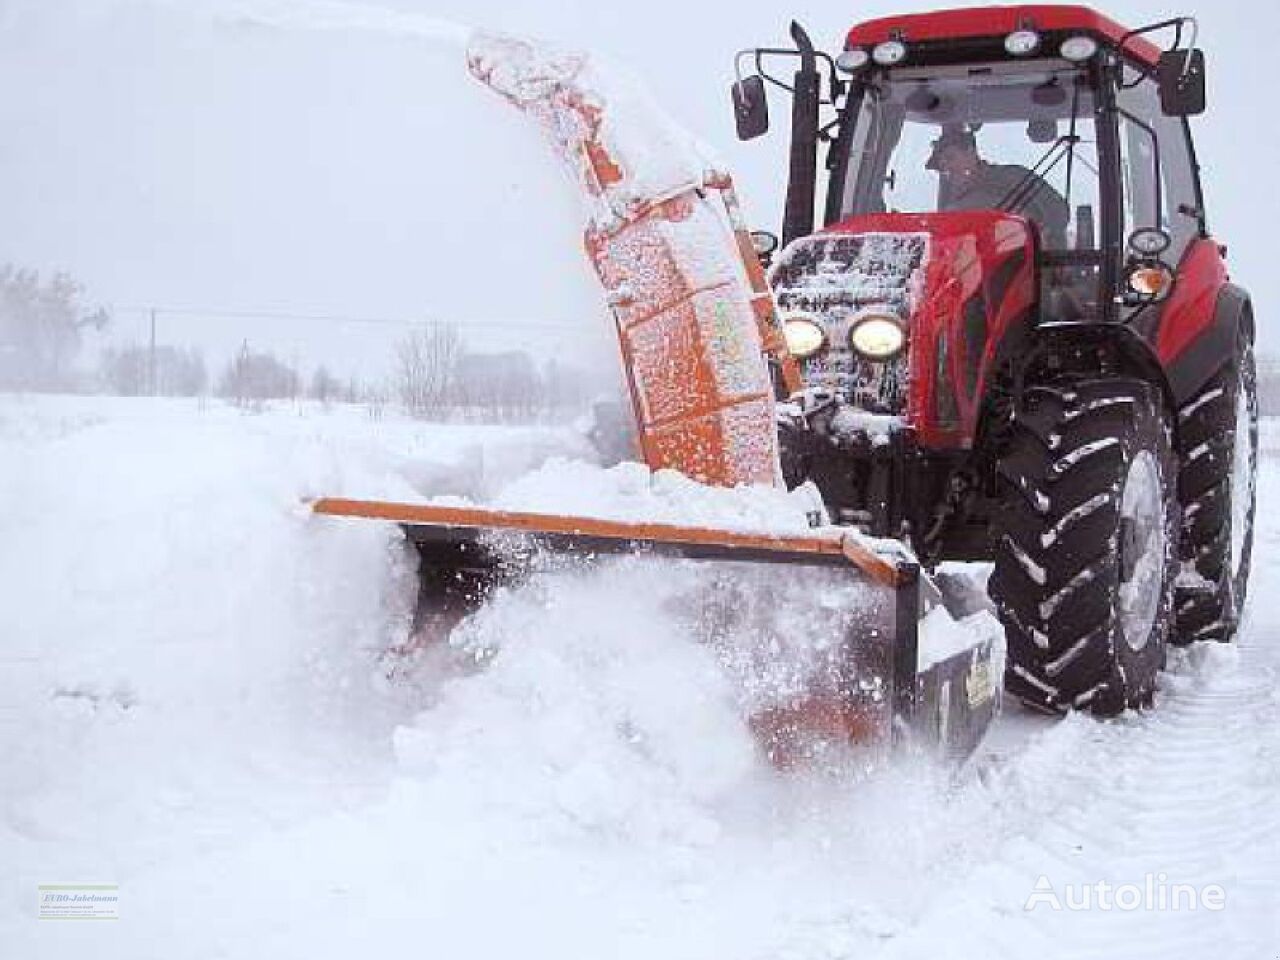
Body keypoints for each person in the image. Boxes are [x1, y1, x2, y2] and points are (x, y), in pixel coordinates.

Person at [926, 125, 1069, 247]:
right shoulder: (951, 209)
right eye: (942, 166)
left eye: (951, 158)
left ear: (971, 152)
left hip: (1029, 268)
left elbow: (1058, 212)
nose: (949, 168)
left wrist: (1036, 236)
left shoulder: (1013, 178)